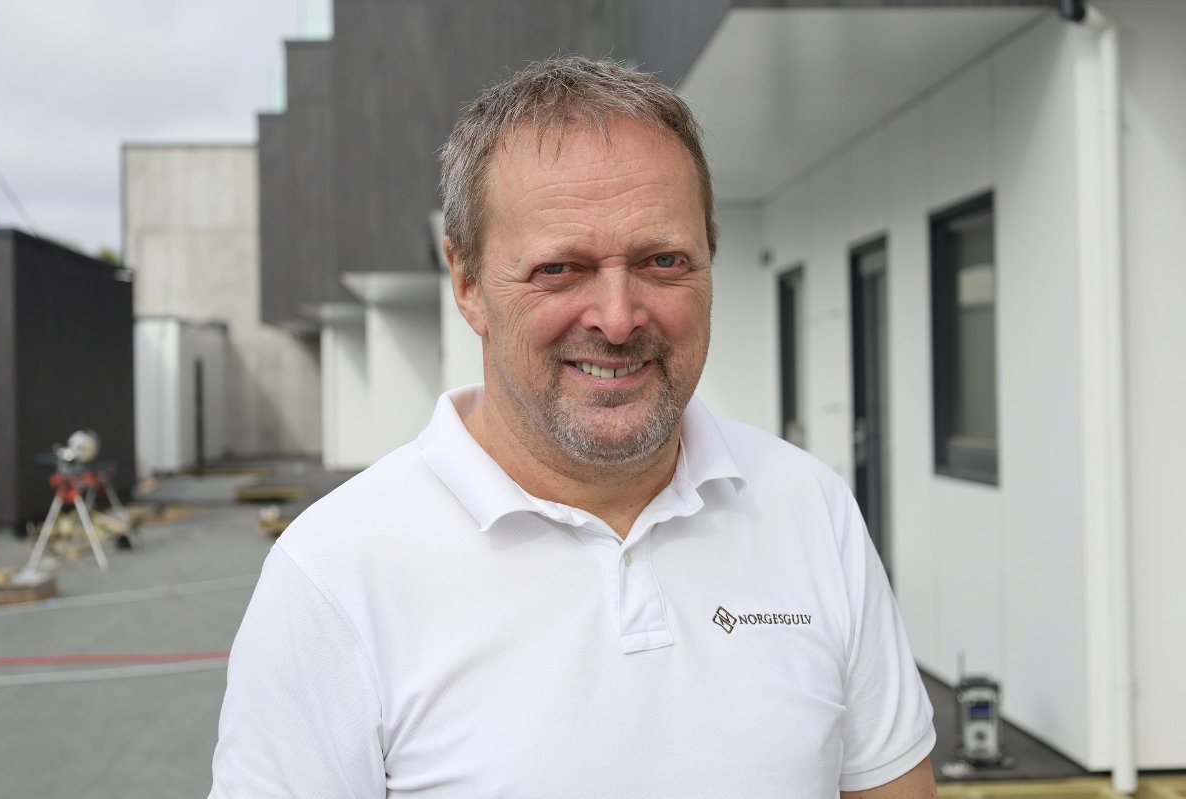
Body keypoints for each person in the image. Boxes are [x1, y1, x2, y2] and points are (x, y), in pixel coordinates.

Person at [209, 55, 937, 798]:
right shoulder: (334, 575)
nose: (617, 319)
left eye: (663, 260)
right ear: (467, 283)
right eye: (560, 269)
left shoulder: (809, 507)